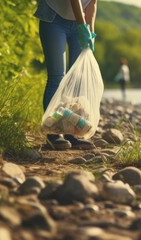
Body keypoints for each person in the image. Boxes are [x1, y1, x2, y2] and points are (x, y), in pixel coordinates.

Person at [34, 0, 97, 150]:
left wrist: (91, 31)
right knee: (57, 77)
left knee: (76, 78)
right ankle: (53, 132)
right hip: (54, 19)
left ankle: (71, 132)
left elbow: (92, 4)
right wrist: (83, 25)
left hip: (79, 22)